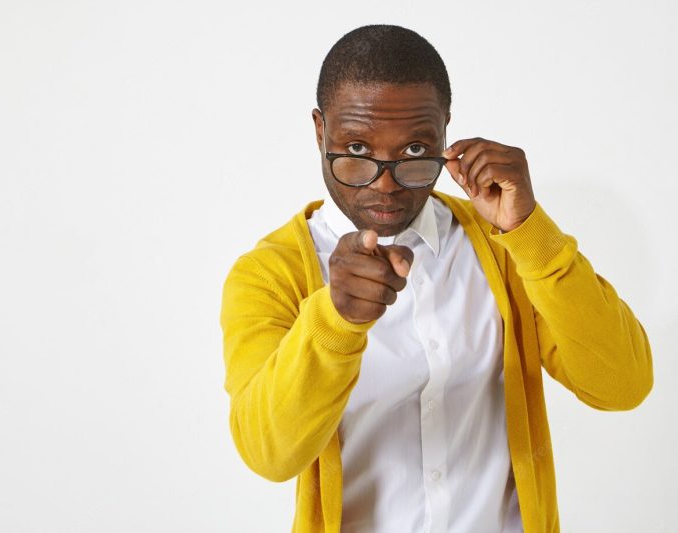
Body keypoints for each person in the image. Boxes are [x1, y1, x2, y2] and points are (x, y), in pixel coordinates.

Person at [219, 24, 653, 533]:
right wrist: (334, 322)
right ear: (320, 131)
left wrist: (529, 231)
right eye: (356, 151)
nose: (385, 184)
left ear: (446, 130)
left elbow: (623, 385)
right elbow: (268, 453)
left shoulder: (501, 243)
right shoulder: (271, 274)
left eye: (413, 152)